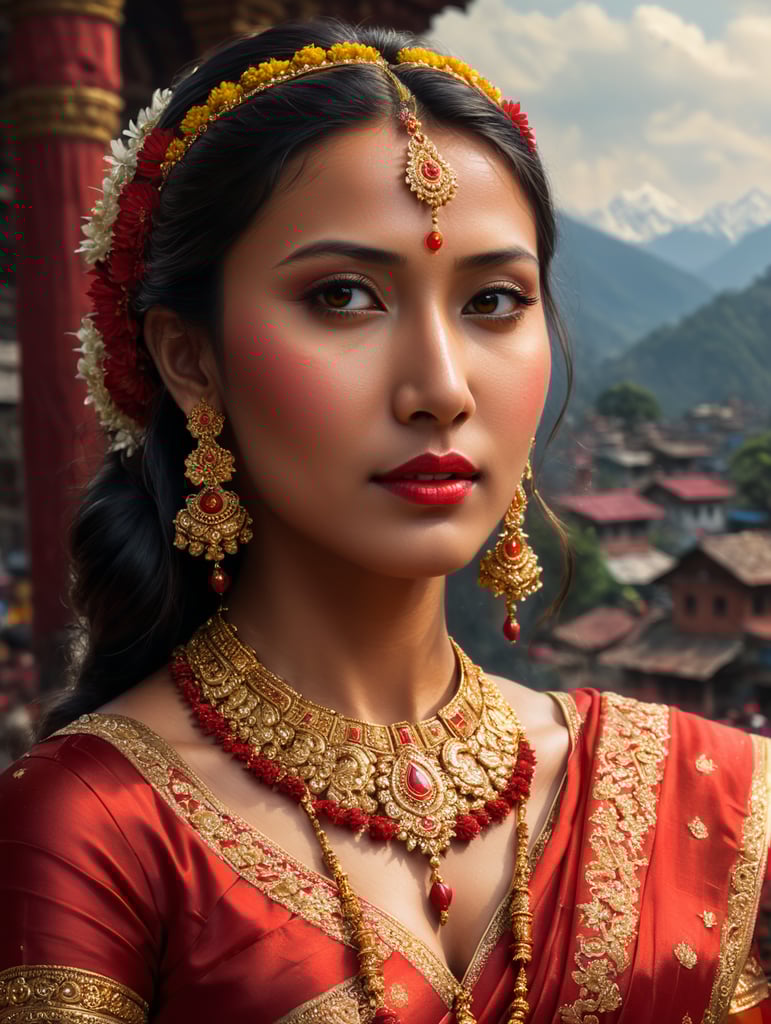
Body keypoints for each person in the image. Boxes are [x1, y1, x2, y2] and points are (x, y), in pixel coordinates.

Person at [0, 17, 769, 1024]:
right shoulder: (95, 825)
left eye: (494, 300)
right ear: (190, 360)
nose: (442, 389)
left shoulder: (715, 797)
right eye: (346, 296)